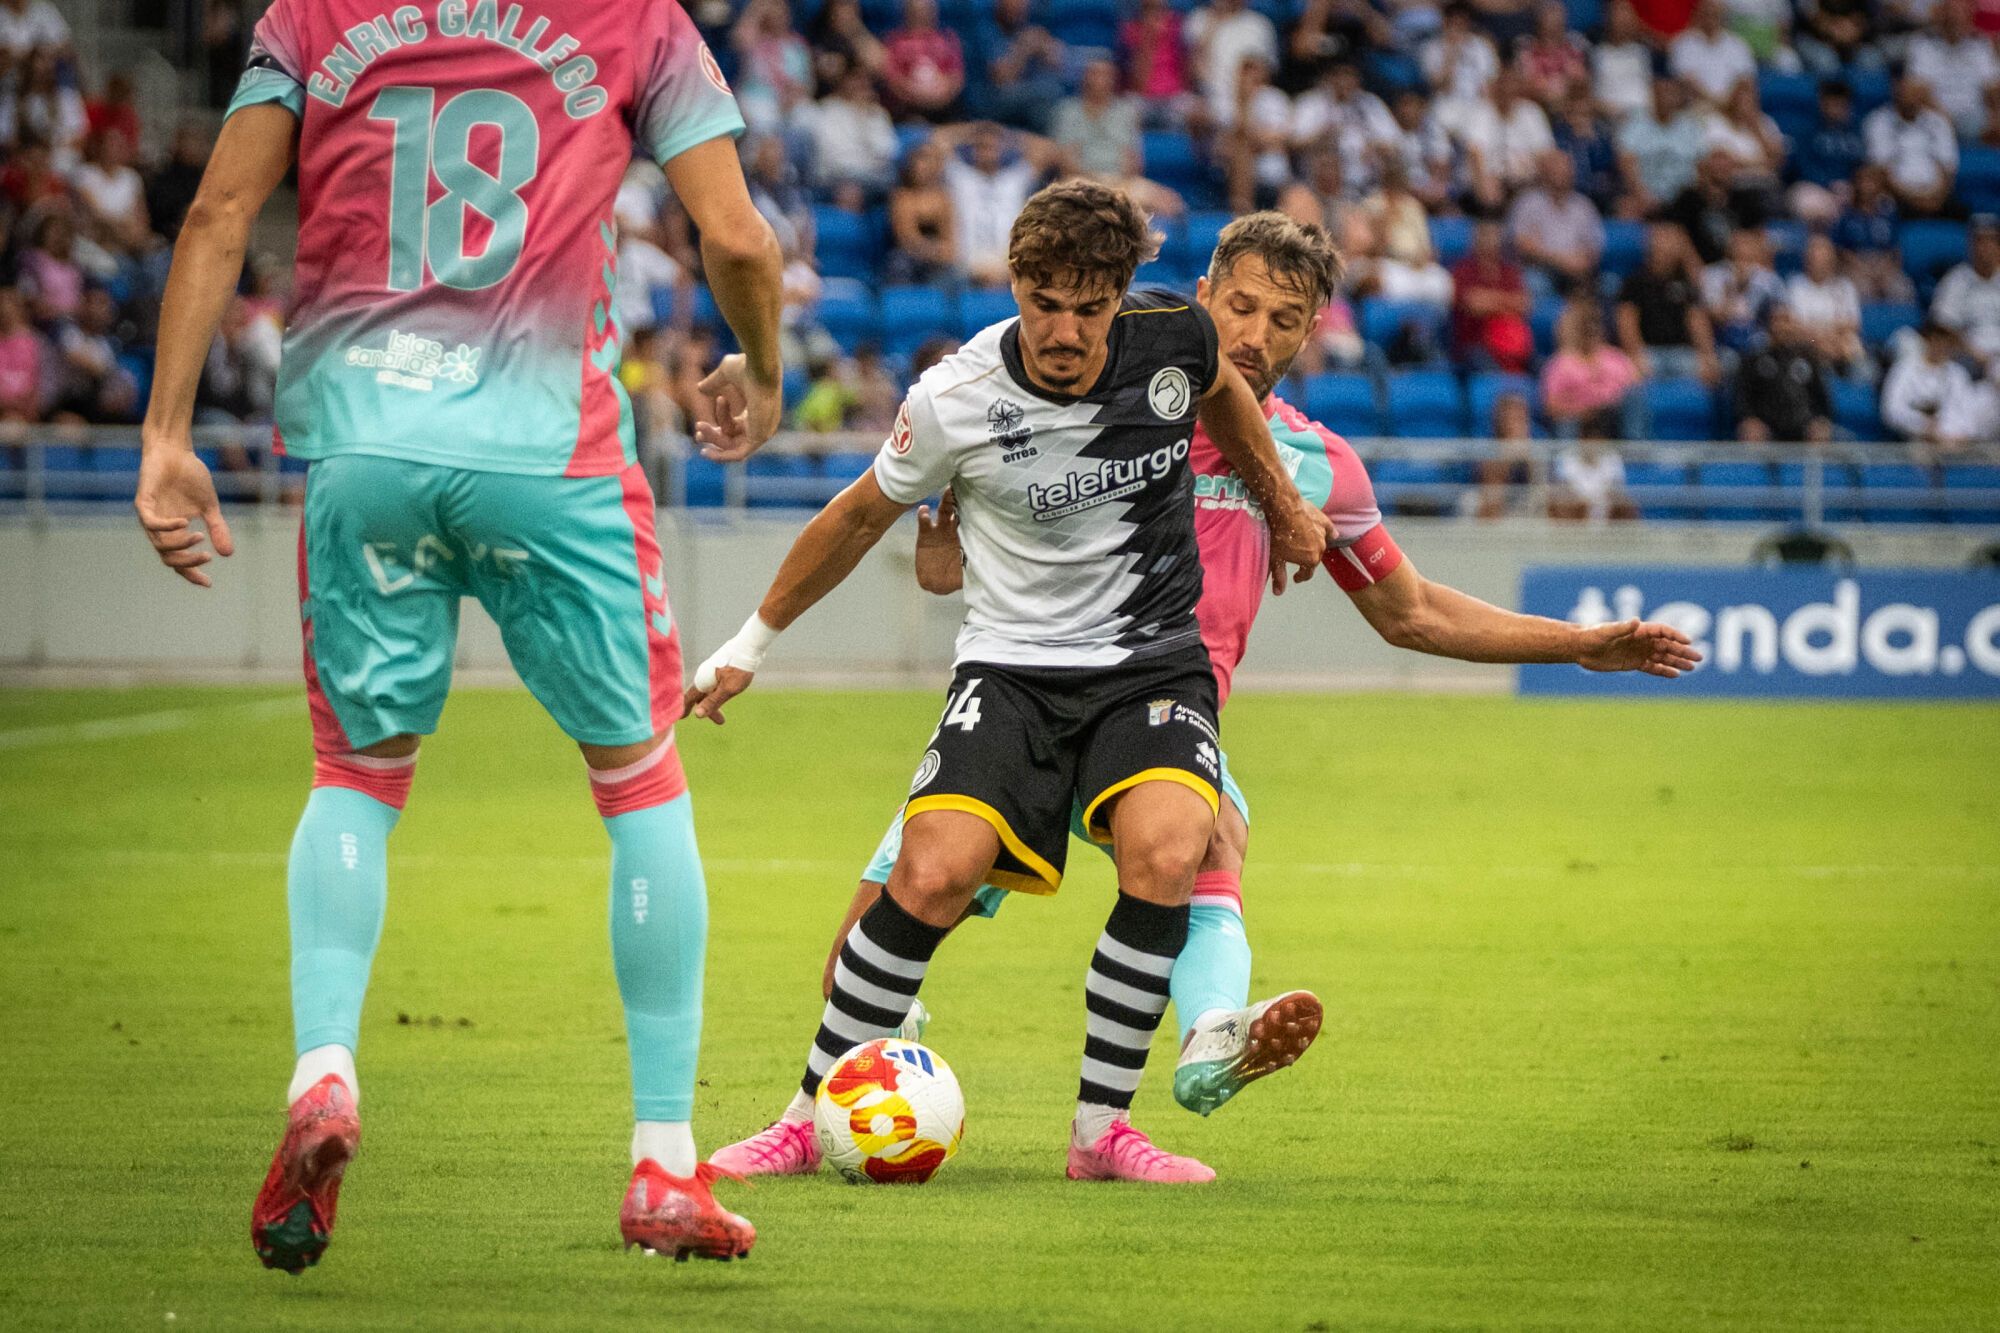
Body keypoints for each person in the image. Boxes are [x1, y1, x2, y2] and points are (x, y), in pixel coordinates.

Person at [702, 212, 1700, 1184]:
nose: (1254, 335)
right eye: (1241, 307)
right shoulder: (1076, 380)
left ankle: (1183, 1059)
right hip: (1020, 680)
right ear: (1201, 297)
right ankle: (832, 1098)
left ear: (1312, 332)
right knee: (896, 908)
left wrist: (1577, 644)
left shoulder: (1308, 458)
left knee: (1194, 839)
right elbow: (938, 529)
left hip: (1156, 694)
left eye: (1283, 319)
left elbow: (1413, 612)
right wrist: (921, 554)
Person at [132, 0, 785, 1269]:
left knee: (355, 776)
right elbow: (738, 237)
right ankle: (663, 1163)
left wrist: (166, 435)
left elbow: (216, 214)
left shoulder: (310, 12)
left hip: (364, 444)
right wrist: (757, 370)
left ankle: (325, 1070)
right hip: (550, 451)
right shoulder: (635, 20)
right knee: (638, 779)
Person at [685, 182, 1337, 1187]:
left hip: (1150, 663)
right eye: (1045, 305)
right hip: (1013, 669)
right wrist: (750, 641)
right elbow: (855, 517)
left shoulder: (1174, 338)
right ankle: (805, 1115)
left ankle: (1101, 1134)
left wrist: (1282, 503)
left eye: (1089, 308)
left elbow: (1223, 395)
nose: (1065, 332)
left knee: (1171, 847)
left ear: (1122, 297)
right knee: (932, 874)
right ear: (1016, 287)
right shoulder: (955, 397)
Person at [1618, 221, 1722, 384]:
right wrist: (1636, 354)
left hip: (1682, 353)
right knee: (1630, 372)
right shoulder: (1634, 282)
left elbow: (1696, 320)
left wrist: (1707, 354)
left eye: (1673, 241)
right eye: (1662, 239)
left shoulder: (1686, 283)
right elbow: (1627, 321)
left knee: (1719, 366)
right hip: (1649, 353)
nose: (1668, 246)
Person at [1541, 299, 1644, 439]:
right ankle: (1569, 452)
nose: (1590, 334)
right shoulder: (1560, 363)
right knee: (1567, 423)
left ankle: (1634, 448)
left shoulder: (1615, 358)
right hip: (1579, 417)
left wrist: (1608, 403)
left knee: (1633, 400)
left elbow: (1635, 386)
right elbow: (1550, 407)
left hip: (1612, 415)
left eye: (1594, 328)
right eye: (1584, 329)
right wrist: (1584, 411)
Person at [1863, 75, 1961, 219]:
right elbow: (1881, 171)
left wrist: (1936, 197)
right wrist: (1913, 199)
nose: (1911, 99)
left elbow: (1948, 168)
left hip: (1936, 197)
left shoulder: (1938, 122)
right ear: (1896, 93)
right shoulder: (1878, 122)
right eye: (1907, 93)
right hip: (1896, 196)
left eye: (1916, 94)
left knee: (1962, 212)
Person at [1733, 306, 1834, 441]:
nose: (1782, 327)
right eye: (1777, 321)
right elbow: (1742, 397)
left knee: (1820, 432)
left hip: (1803, 424)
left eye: (1787, 321)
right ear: (1769, 325)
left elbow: (1822, 400)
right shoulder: (1753, 360)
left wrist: (1820, 421)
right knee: (1751, 432)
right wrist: (1749, 419)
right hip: (1765, 424)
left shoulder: (1808, 360)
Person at [1930, 216, 2000, 362]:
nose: (1984, 249)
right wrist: (1973, 353)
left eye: (1991, 241)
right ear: (1970, 245)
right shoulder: (1956, 280)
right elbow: (1943, 325)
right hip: (1968, 356)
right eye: (1979, 241)